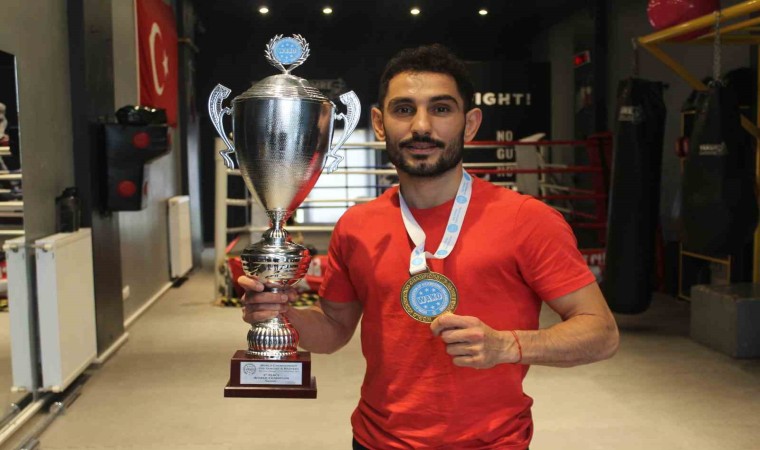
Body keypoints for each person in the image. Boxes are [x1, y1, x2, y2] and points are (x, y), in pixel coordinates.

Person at [239, 44, 619, 450]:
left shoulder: (528, 220)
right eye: (404, 109)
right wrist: (279, 313)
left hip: (493, 444)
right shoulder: (356, 226)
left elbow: (601, 332)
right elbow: (333, 331)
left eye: (441, 109)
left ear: (469, 124)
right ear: (379, 123)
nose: (421, 126)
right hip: (376, 441)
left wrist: (508, 345)